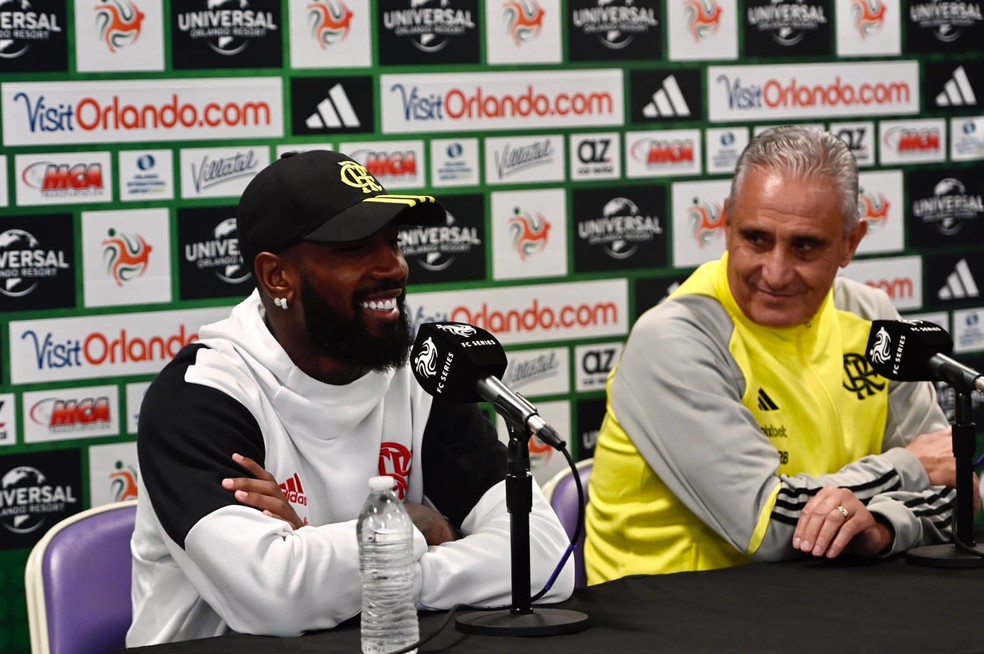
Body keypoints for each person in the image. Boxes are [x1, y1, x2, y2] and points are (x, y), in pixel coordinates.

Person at [127, 150, 574, 645]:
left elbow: (542, 558)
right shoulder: (202, 397)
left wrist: (362, 564)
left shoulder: (422, 373)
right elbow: (275, 598)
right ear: (278, 276)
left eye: (393, 242)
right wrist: (414, 525)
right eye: (355, 248)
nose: (394, 267)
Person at [585, 125, 963, 583]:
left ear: (850, 244)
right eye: (757, 239)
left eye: (805, 245)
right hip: (675, 611)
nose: (777, 272)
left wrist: (882, 526)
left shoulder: (873, 318)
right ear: (726, 228)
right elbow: (769, 525)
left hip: (830, 595)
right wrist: (909, 468)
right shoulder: (674, 339)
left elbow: (956, 489)